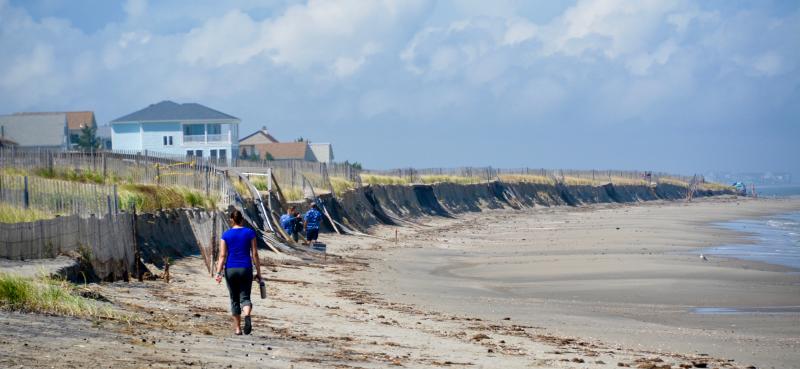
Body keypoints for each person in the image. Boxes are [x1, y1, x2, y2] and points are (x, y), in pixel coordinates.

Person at [214, 210, 262, 335]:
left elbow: (222, 255)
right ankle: (247, 315)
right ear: (242, 220)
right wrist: (259, 273)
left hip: (230, 269)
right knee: (245, 297)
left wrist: (218, 273)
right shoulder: (250, 233)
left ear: (231, 220)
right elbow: (255, 254)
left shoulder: (226, 235)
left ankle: (238, 329)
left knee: (234, 298)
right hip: (246, 268)